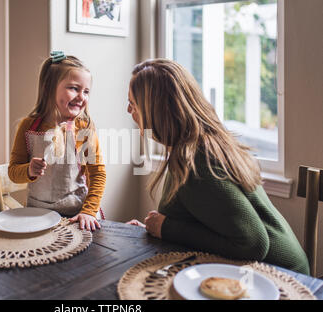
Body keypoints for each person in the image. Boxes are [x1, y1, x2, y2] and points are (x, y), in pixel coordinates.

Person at [126, 58, 310, 275]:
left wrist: (168, 228)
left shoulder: (195, 162)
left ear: (156, 111)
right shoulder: (198, 144)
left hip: (282, 279)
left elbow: (252, 244)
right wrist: (158, 229)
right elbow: (208, 219)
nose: (129, 110)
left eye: (133, 104)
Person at [8, 51, 106, 231]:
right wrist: (29, 169)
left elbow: (98, 174)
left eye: (86, 91)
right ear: (48, 87)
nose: (81, 96)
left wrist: (89, 211)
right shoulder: (29, 127)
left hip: (77, 216)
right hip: (37, 216)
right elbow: (13, 171)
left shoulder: (84, 128)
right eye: (74, 88)